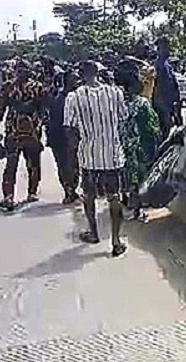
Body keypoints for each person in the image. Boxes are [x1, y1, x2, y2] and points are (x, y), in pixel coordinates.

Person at [64, 60, 128, 257]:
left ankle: (93, 233)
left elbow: (69, 128)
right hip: (112, 154)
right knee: (114, 196)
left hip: (89, 155)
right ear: (98, 73)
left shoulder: (74, 97)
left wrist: (74, 150)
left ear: (81, 75)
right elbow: (123, 119)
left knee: (89, 195)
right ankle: (116, 241)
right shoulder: (115, 92)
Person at [0, 60, 46, 212]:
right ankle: (19, 194)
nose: (21, 73)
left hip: (21, 131)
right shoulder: (32, 87)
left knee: (24, 164)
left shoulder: (12, 87)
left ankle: (22, 194)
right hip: (25, 131)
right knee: (22, 164)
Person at [115, 60, 162, 221]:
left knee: (124, 178)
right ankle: (136, 210)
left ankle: (125, 204)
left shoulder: (114, 101)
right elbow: (151, 130)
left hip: (118, 148)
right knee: (137, 180)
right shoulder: (141, 104)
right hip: (137, 149)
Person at [46, 69, 80, 204]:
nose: (77, 81)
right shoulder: (59, 99)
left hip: (73, 137)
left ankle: (73, 190)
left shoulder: (77, 96)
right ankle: (68, 191)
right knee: (64, 166)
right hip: (60, 137)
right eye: (74, 79)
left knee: (74, 165)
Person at [153, 37, 181, 137]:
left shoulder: (167, 66)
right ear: (159, 49)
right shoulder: (158, 66)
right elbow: (158, 87)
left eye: (167, 47)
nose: (167, 50)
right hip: (161, 105)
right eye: (164, 47)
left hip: (169, 105)